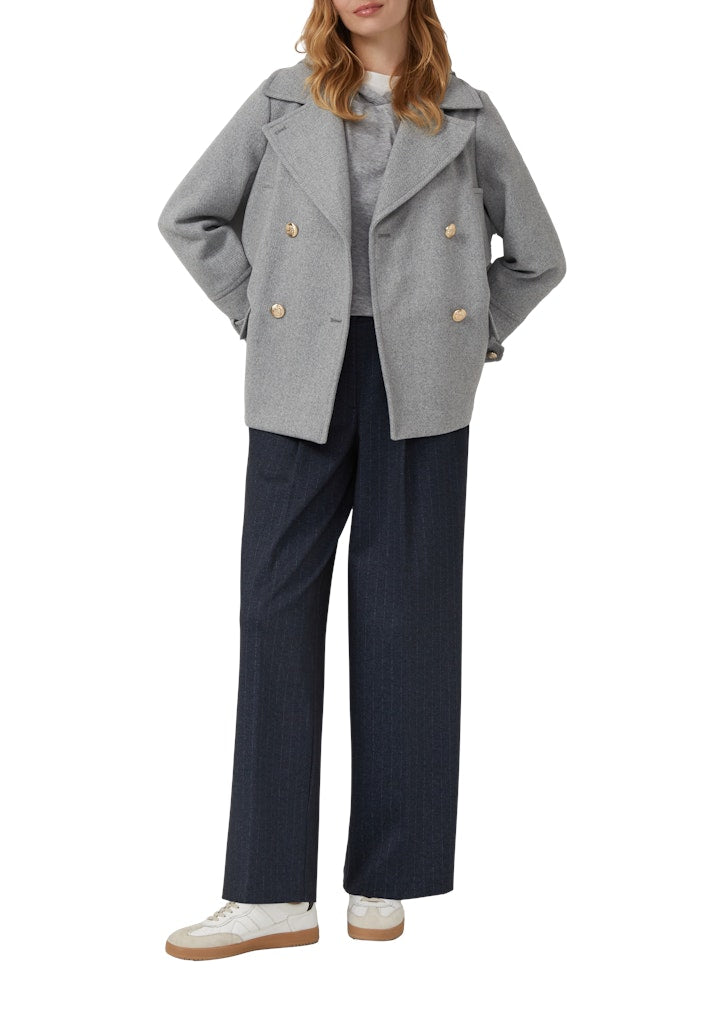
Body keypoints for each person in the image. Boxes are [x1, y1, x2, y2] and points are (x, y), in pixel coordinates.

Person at [157, 0, 565, 960]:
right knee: (274, 615)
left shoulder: (465, 114)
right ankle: (269, 894)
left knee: (406, 618)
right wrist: (254, 310)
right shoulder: (280, 101)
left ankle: (387, 873)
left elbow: (539, 258)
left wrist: (471, 339)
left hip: (419, 384)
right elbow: (188, 215)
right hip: (299, 374)